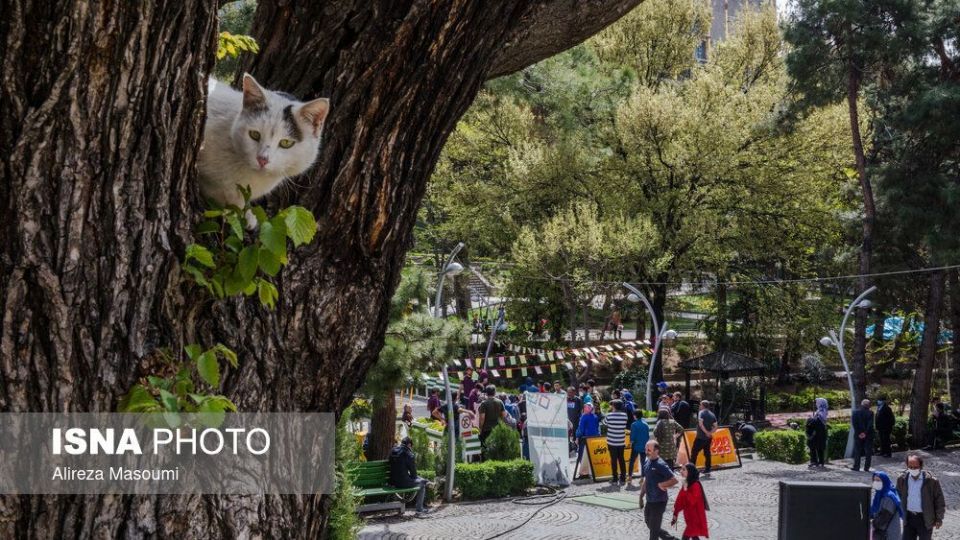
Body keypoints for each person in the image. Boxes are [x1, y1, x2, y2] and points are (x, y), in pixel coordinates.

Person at [896, 454, 945, 540]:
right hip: (909, 518)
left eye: (915, 467)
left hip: (925, 519)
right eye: (910, 467)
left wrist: (939, 518)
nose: (913, 469)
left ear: (921, 466)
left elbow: (939, 500)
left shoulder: (931, 481)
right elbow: (898, 495)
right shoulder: (902, 479)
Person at [640, 440, 679, 540]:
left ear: (656, 451)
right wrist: (641, 496)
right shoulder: (647, 462)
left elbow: (674, 480)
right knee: (650, 524)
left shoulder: (661, 464)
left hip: (659, 502)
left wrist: (663, 484)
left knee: (653, 533)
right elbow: (646, 480)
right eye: (645, 449)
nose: (646, 451)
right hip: (649, 501)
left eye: (649, 450)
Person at [388, 436, 430, 514]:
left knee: (419, 479)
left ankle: (426, 481)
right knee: (422, 484)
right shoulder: (409, 454)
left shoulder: (393, 450)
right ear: (409, 445)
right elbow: (414, 475)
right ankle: (419, 509)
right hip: (402, 483)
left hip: (392, 482)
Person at [672, 463, 709, 540]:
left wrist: (685, 489)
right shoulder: (686, 483)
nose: (681, 471)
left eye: (684, 469)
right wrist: (675, 513)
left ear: (690, 472)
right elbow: (680, 499)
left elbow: (692, 501)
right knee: (694, 537)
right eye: (681, 469)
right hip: (689, 518)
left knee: (686, 537)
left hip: (695, 519)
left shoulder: (696, 485)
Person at [872, 471, 904, 540]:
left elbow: (884, 518)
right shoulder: (879, 494)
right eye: (874, 480)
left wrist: (872, 523)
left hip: (889, 534)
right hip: (883, 533)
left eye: (878, 480)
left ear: (884, 481)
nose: (875, 482)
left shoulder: (889, 497)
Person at [477, 385, 507, 454]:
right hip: (497, 429)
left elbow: (482, 418)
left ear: (486, 393)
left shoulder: (484, 403)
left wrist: (480, 429)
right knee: (496, 449)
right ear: (495, 392)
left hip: (486, 430)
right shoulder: (500, 402)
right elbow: (504, 416)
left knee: (485, 449)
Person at [605, 399, 630, 485]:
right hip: (621, 441)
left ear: (614, 406)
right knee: (621, 459)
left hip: (612, 441)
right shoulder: (624, 416)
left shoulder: (609, 415)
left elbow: (605, 423)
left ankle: (615, 478)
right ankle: (623, 477)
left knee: (614, 460)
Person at [575, 402, 601, 478]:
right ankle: (591, 472)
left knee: (582, 455)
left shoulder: (584, 417)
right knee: (591, 455)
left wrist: (577, 437)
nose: (584, 409)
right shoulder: (595, 416)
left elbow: (581, 429)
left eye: (585, 407)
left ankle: (584, 473)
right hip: (594, 439)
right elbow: (597, 428)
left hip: (584, 439)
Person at [691, 400, 717, 474]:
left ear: (703, 406)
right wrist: (710, 433)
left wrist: (706, 432)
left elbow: (700, 424)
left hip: (701, 437)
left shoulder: (701, 412)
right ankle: (708, 468)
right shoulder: (712, 414)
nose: (699, 406)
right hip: (708, 438)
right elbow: (716, 426)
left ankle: (692, 470)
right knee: (707, 453)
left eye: (700, 405)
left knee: (694, 452)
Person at [852, 399, 875, 472]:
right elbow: (870, 425)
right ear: (868, 405)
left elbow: (854, 424)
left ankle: (856, 466)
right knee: (868, 452)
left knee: (857, 451)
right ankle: (866, 467)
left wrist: (859, 433)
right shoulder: (871, 413)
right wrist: (865, 433)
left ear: (862, 404)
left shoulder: (855, 412)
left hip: (858, 435)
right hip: (868, 435)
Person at [806, 397, 829, 467]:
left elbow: (817, 421)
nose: (816, 404)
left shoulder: (822, 411)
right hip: (820, 432)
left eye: (817, 403)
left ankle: (815, 461)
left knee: (815, 447)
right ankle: (819, 462)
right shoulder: (821, 410)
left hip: (817, 433)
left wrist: (810, 419)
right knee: (817, 447)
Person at [629, 411, 650, 482]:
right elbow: (647, 436)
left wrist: (630, 443)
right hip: (644, 446)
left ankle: (630, 477)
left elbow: (633, 436)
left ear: (635, 416)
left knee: (632, 461)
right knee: (643, 462)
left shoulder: (634, 424)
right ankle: (642, 478)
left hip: (636, 446)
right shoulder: (646, 424)